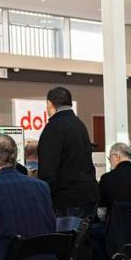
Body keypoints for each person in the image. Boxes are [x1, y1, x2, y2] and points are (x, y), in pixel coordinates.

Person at [38, 86, 99, 217]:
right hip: (88, 195)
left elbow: (48, 169)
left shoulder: (53, 128)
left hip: (67, 200)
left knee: (67, 236)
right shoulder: (80, 125)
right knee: (84, 236)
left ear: (50, 104)